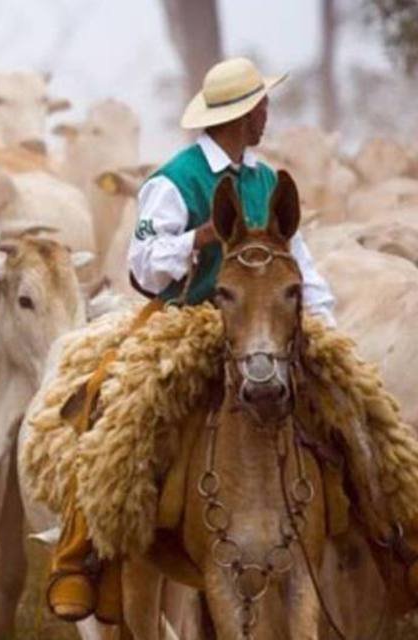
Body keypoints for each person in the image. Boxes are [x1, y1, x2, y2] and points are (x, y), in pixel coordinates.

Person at [46, 56, 338, 622]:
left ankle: (393, 537)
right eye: (261, 106)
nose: (267, 116)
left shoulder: (266, 180)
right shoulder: (174, 180)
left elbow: (298, 262)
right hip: (188, 321)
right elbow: (144, 265)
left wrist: (324, 326)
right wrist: (199, 239)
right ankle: (81, 553)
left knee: (352, 407)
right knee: (112, 409)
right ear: (241, 115)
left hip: (265, 324)